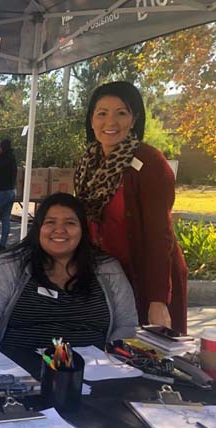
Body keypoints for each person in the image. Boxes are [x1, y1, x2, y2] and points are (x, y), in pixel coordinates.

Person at [74, 81, 188, 333]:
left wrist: (158, 299)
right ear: (91, 120)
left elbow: (160, 235)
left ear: (134, 118)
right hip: (107, 277)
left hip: (147, 277)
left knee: (149, 356)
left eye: (121, 113)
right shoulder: (87, 163)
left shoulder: (149, 163)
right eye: (101, 113)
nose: (110, 122)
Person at [0, 193, 137, 350]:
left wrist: (111, 361)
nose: (59, 230)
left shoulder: (108, 269)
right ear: (38, 228)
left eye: (70, 223)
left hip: (93, 374)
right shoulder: (9, 266)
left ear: (82, 230)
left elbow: (127, 324)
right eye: (50, 222)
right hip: (18, 376)